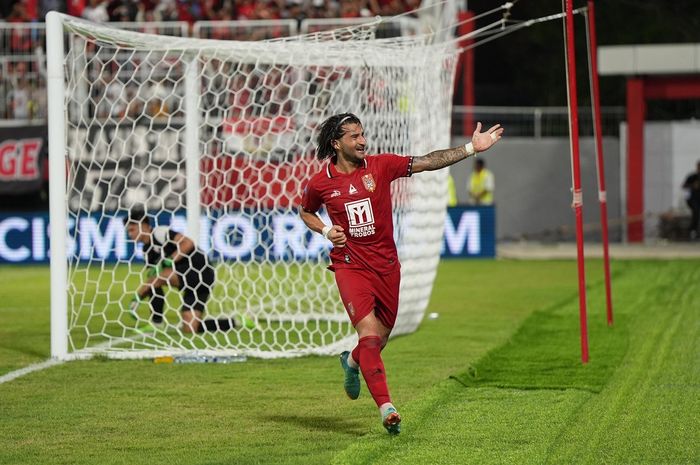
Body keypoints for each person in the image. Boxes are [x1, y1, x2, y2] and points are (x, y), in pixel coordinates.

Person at [299, 113, 503, 434]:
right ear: (336, 144)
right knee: (368, 335)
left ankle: (351, 362)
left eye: (363, 134)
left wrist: (469, 148)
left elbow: (428, 161)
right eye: (354, 136)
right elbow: (306, 210)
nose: (363, 140)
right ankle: (387, 408)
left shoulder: (382, 166)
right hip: (350, 264)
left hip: (386, 266)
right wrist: (326, 230)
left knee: (378, 340)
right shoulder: (321, 183)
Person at [125, 208, 251, 334]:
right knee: (190, 328)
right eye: (128, 231)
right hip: (189, 281)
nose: (130, 234)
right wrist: (140, 295)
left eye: (132, 229)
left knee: (156, 279)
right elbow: (153, 281)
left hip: (200, 270)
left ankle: (157, 323)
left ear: (144, 225)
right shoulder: (147, 251)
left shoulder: (159, 233)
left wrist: (171, 260)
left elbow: (188, 243)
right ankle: (237, 321)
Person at [682, 160, 700, 239]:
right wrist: (693, 185)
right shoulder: (692, 176)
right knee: (696, 212)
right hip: (693, 199)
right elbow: (684, 186)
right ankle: (693, 231)